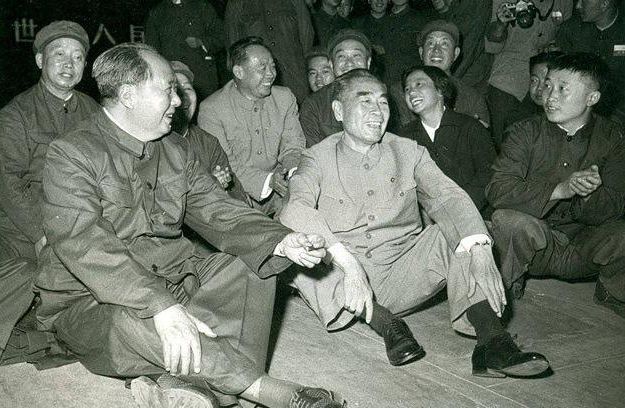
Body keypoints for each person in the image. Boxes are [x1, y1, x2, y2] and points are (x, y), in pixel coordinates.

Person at [35, 42, 344, 408]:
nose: (178, 100)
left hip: (175, 279)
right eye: (168, 89)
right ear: (129, 95)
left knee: (255, 261)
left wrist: (280, 240)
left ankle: (187, 382)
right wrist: (161, 306)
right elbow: (87, 246)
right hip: (91, 299)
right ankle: (272, 393)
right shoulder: (71, 153)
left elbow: (219, 210)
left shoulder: (176, 150)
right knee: (131, 322)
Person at [281, 68, 551, 377]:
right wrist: (348, 264)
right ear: (339, 111)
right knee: (295, 246)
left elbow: (448, 196)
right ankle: (387, 324)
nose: (377, 111)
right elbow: (295, 208)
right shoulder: (316, 157)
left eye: (383, 102)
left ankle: (492, 342)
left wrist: (480, 250)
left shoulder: (408, 151)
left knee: (460, 235)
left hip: (403, 273)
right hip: (342, 281)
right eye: (365, 101)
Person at [486, 53, 625, 318]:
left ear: (592, 98)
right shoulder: (524, 131)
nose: (549, 96)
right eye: (548, 85)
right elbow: (497, 189)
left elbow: (617, 205)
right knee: (509, 221)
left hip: (584, 246)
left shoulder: (613, 137)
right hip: (535, 244)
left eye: (563, 88)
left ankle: (612, 290)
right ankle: (506, 284)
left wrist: (589, 194)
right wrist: (560, 190)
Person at [0, 21, 99, 363]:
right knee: (37, 277)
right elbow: (8, 182)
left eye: (78, 57)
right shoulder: (15, 115)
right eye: (59, 55)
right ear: (41, 60)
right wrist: (40, 233)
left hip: (81, 218)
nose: (69, 64)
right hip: (27, 225)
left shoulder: (94, 112)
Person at [198, 37, 305, 215]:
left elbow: (293, 145)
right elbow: (225, 164)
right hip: (236, 194)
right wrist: (269, 181)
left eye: (272, 66)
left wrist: (292, 172)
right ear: (239, 72)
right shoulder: (212, 110)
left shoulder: (284, 98)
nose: (271, 74)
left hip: (282, 188)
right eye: (262, 68)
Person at [399, 66, 496, 218]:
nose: (411, 92)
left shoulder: (470, 127)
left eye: (419, 84)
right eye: (407, 89)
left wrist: (457, 209)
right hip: (428, 219)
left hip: (474, 214)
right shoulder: (404, 137)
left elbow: (488, 175)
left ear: (440, 90)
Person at [486, 0, 573, 150]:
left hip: (545, 84)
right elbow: (491, 46)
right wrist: (501, 24)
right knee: (499, 145)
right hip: (507, 82)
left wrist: (557, 48)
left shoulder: (564, 2)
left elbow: (566, 34)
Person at [170, 60, 248, 204]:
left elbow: (238, 197)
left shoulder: (208, 143)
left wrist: (223, 189)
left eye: (187, 88)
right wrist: (207, 186)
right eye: (175, 90)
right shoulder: (150, 144)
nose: (183, 98)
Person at [390, 19, 490, 128]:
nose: (436, 50)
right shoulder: (400, 92)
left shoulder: (472, 98)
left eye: (444, 44)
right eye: (430, 43)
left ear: (455, 54)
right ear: (421, 52)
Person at [225, 0, 314, 103]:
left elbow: (307, 37)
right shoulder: (237, 3)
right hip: (256, 82)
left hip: (294, 77)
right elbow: (234, 48)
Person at [300, 29, 372, 146]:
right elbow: (313, 152)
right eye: (341, 56)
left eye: (356, 56)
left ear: (368, 62)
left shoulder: (382, 99)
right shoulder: (314, 104)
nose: (349, 63)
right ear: (332, 64)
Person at [555, 0, 625, 122]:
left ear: (604, 4)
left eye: (584, 1)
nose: (578, 6)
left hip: (617, 109)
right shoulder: (571, 29)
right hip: (575, 105)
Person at [145, 0, 225, 101]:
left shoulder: (202, 6)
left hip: (201, 71)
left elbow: (221, 36)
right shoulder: (158, 11)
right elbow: (152, 47)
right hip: (172, 72)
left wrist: (202, 42)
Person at [430, 0, 494, 91]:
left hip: (469, 75)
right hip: (455, 74)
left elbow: (471, 43)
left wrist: (446, 82)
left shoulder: (477, 4)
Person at [503, 50, 564, 129]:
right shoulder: (518, 120)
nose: (539, 88)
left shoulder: (572, 118)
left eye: (546, 83)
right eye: (534, 80)